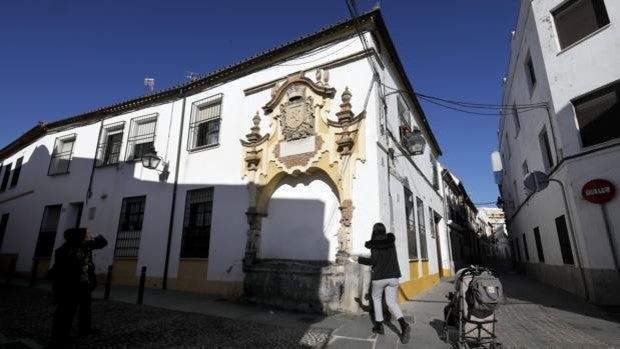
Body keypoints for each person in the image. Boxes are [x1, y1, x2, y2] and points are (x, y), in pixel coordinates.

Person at [352, 222, 411, 343]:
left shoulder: (374, 244)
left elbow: (373, 261)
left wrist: (358, 259)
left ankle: (379, 326)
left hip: (379, 277)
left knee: (377, 299)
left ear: (374, 231)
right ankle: (404, 325)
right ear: (384, 230)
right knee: (392, 302)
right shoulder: (391, 242)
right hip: (393, 276)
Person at [49, 228, 107, 348]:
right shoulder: (63, 251)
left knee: (86, 308)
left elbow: (103, 243)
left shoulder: (85, 245)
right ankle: (60, 337)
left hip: (85, 284)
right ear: (78, 237)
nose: (88, 235)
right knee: (66, 312)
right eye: (86, 234)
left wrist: (93, 237)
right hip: (70, 286)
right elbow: (61, 273)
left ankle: (84, 329)